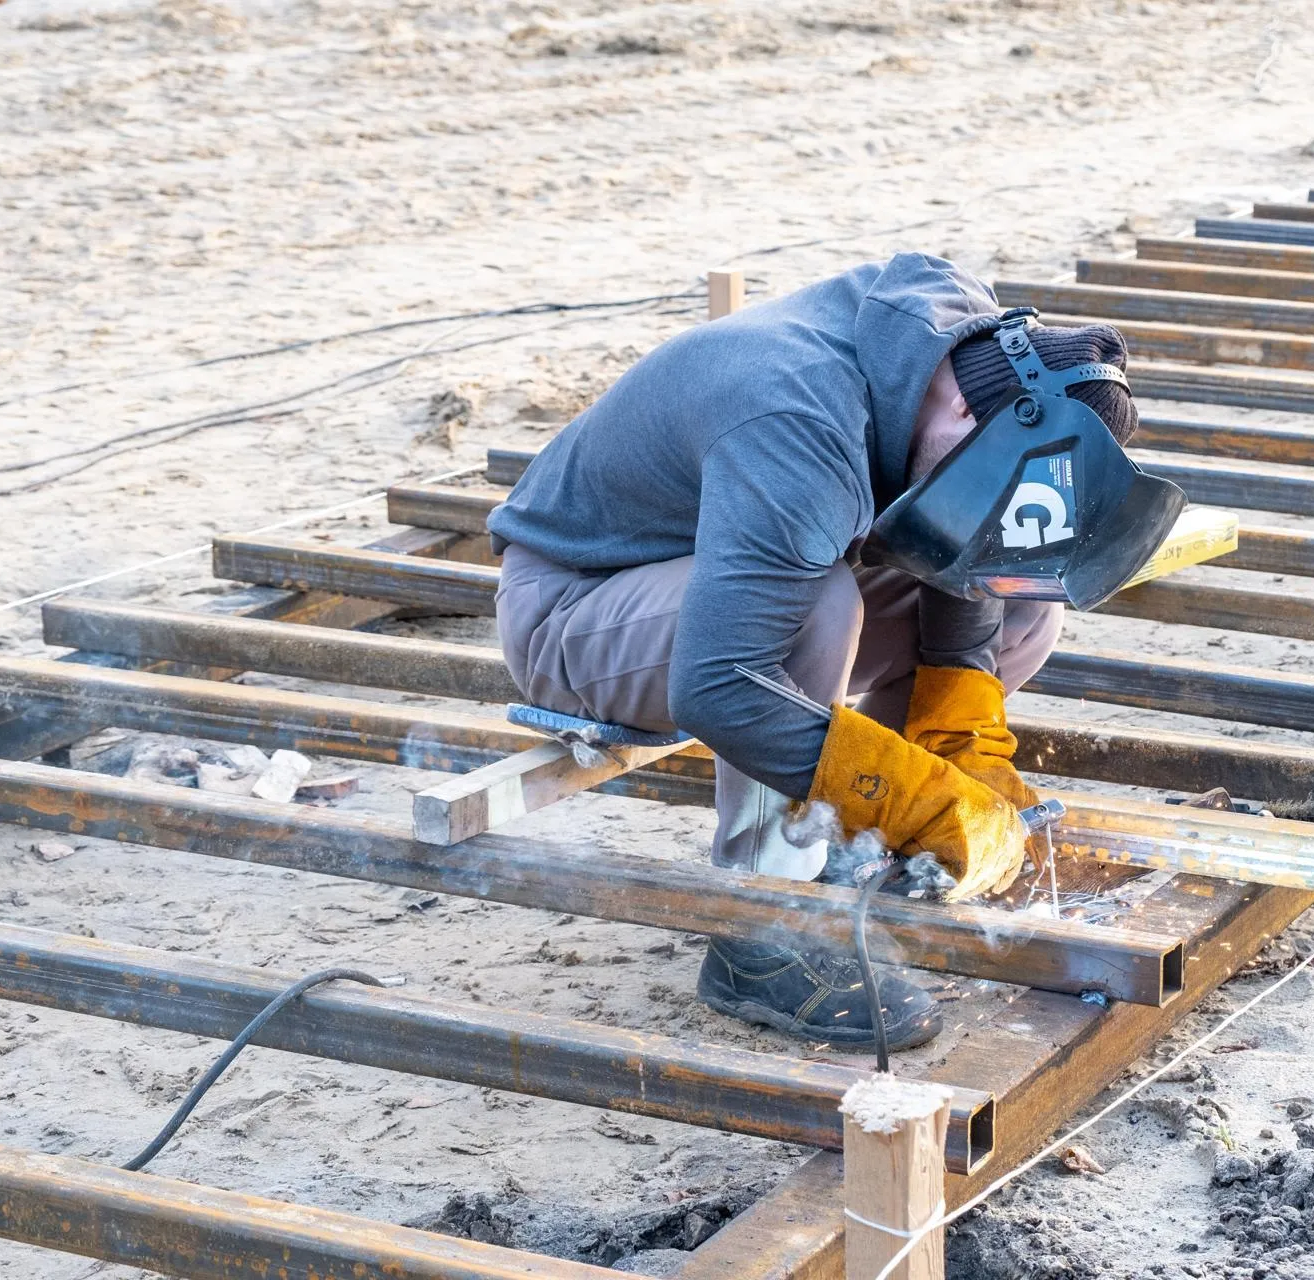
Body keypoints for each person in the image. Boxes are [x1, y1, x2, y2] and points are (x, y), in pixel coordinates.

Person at [487, 253, 1180, 1050]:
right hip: (577, 607)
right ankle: (763, 921)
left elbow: (967, 542)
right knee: (815, 610)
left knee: (1021, 611)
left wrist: (958, 748)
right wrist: (919, 797)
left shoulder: (958, 356)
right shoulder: (796, 419)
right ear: (958, 408)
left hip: (743, 567)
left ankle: (870, 855)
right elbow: (719, 686)